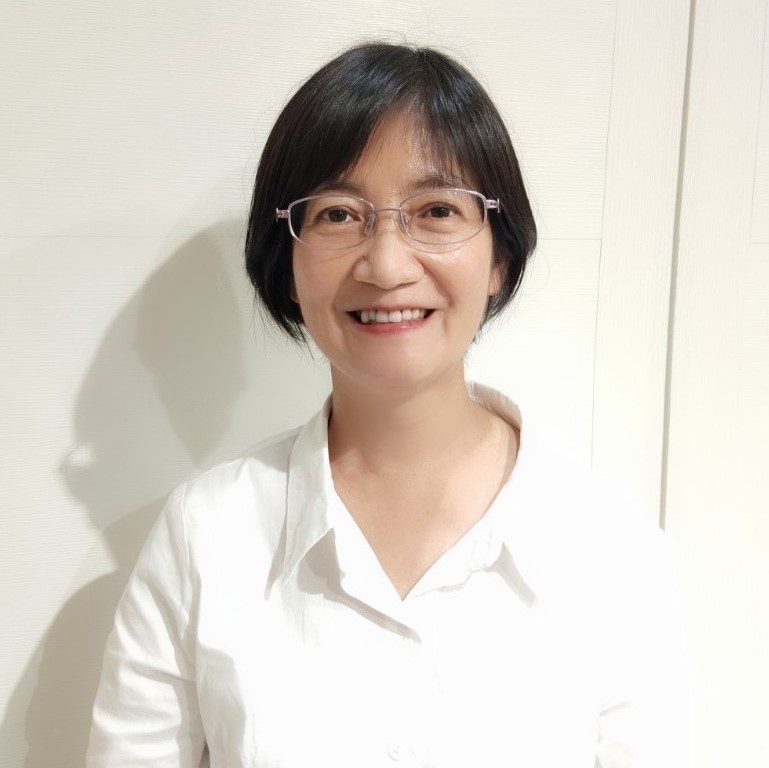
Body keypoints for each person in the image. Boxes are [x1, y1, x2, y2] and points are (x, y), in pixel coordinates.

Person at [86, 42, 692, 767]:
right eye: (338, 214)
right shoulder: (206, 534)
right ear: (288, 267)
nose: (386, 264)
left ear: (499, 258)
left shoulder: (612, 549)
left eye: (436, 210)